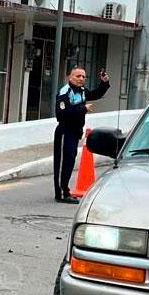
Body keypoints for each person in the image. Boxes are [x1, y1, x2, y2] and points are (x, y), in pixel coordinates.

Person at [53, 66, 111, 204]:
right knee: (63, 163)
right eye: (78, 76)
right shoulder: (64, 92)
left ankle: (65, 191)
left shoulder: (82, 91)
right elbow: (61, 113)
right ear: (70, 77)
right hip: (65, 131)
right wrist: (82, 108)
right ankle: (61, 193)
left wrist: (104, 83)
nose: (81, 79)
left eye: (83, 77)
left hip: (75, 131)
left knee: (70, 161)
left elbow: (96, 95)